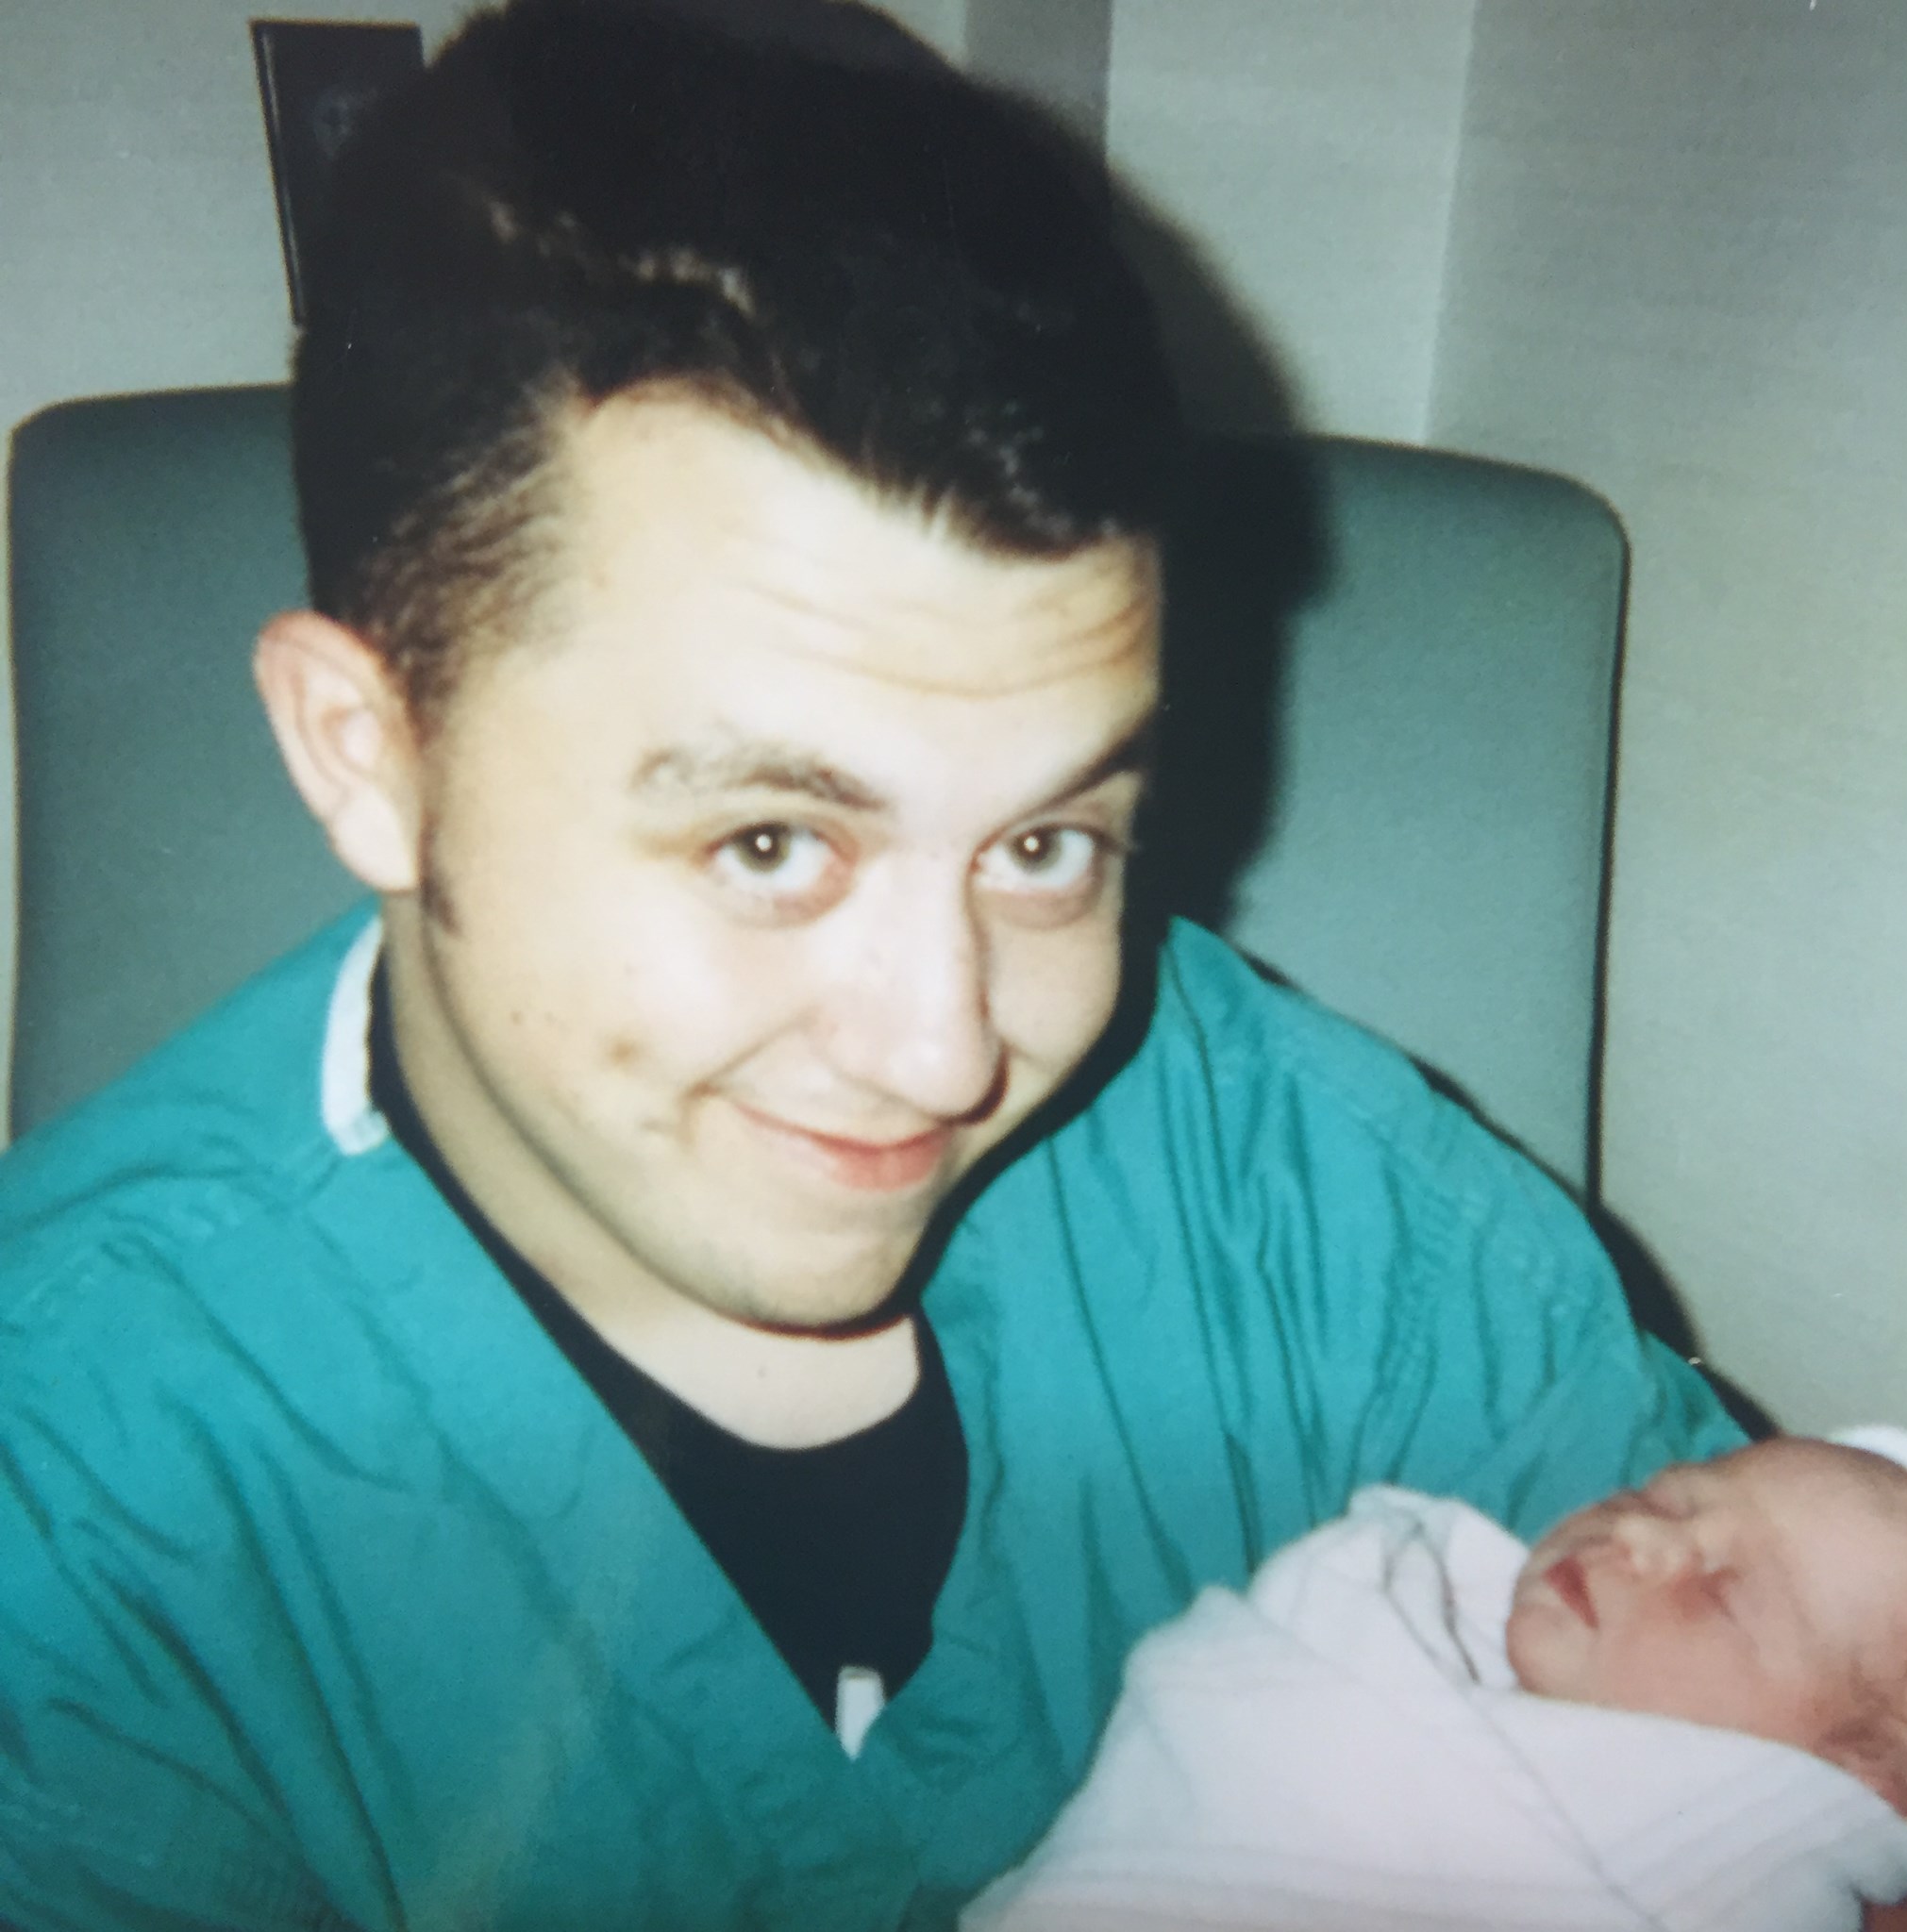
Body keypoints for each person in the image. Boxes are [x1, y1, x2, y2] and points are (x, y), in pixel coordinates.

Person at [0, 2, 1741, 1927]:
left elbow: (1823, 1745)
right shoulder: (72, 1497)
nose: (943, 1049)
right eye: (769, 843)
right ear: (370, 752)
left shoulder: (1313, 1211)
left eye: (1045, 845)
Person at [964, 1431, 1907, 1932]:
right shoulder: (1384, 1613)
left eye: (1720, 1596)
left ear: (1840, 1789)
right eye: (1658, 1496)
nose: (1638, 1534)